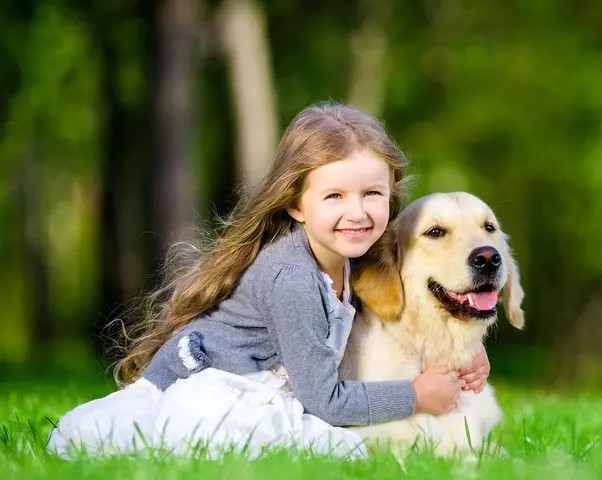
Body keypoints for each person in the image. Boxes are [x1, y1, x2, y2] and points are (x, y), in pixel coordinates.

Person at [47, 102, 491, 460]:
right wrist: (414, 396)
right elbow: (326, 403)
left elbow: (413, 316)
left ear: (389, 196)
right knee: (345, 450)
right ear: (296, 205)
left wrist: (471, 356)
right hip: (221, 390)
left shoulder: (355, 258)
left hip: (267, 391)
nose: (356, 212)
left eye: (371, 194)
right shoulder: (291, 278)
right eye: (334, 196)